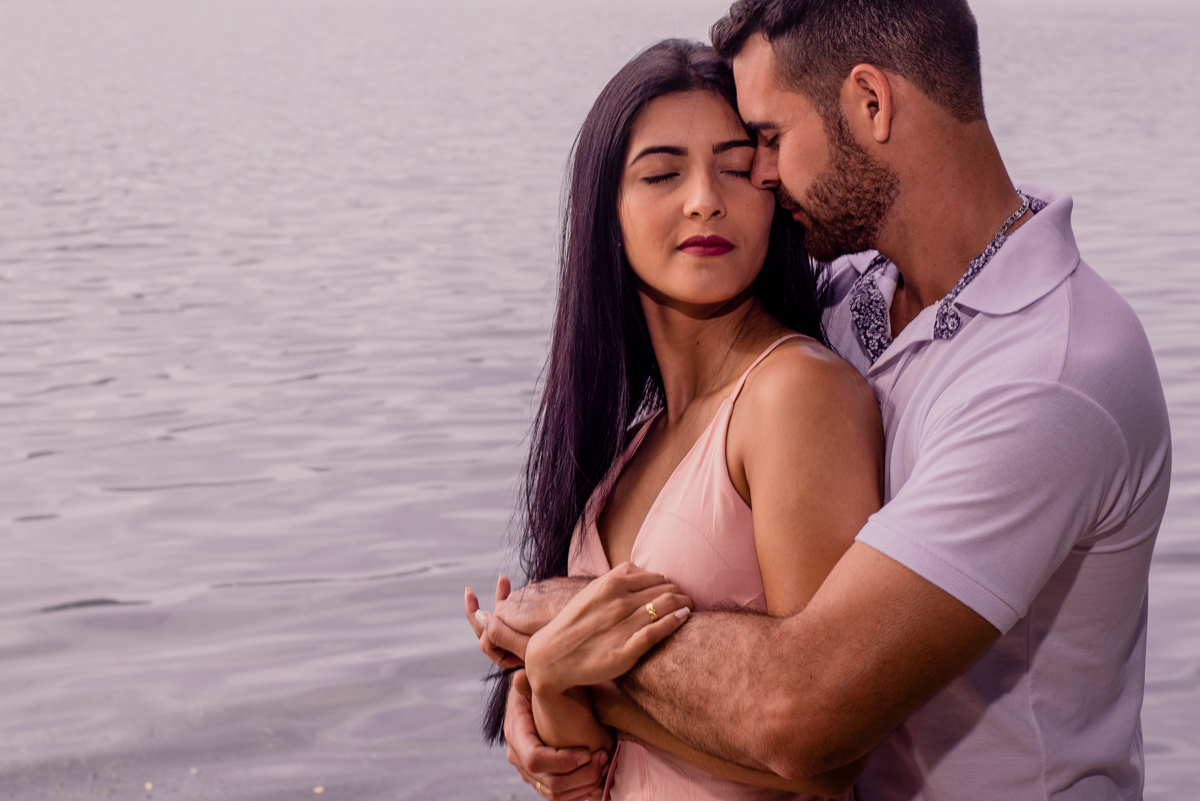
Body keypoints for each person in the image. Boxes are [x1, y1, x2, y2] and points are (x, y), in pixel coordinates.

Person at [481, 1, 1173, 800]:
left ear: (871, 104)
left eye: (766, 142)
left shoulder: (1051, 373)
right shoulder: (850, 293)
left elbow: (805, 716)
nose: (761, 179)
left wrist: (566, 636)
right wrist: (552, 695)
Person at [465, 38, 884, 799]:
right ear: (607, 215)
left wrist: (570, 668)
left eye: (736, 168)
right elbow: (591, 779)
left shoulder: (794, 395)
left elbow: (828, 761)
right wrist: (554, 691)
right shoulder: (631, 444)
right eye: (662, 173)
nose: (704, 199)